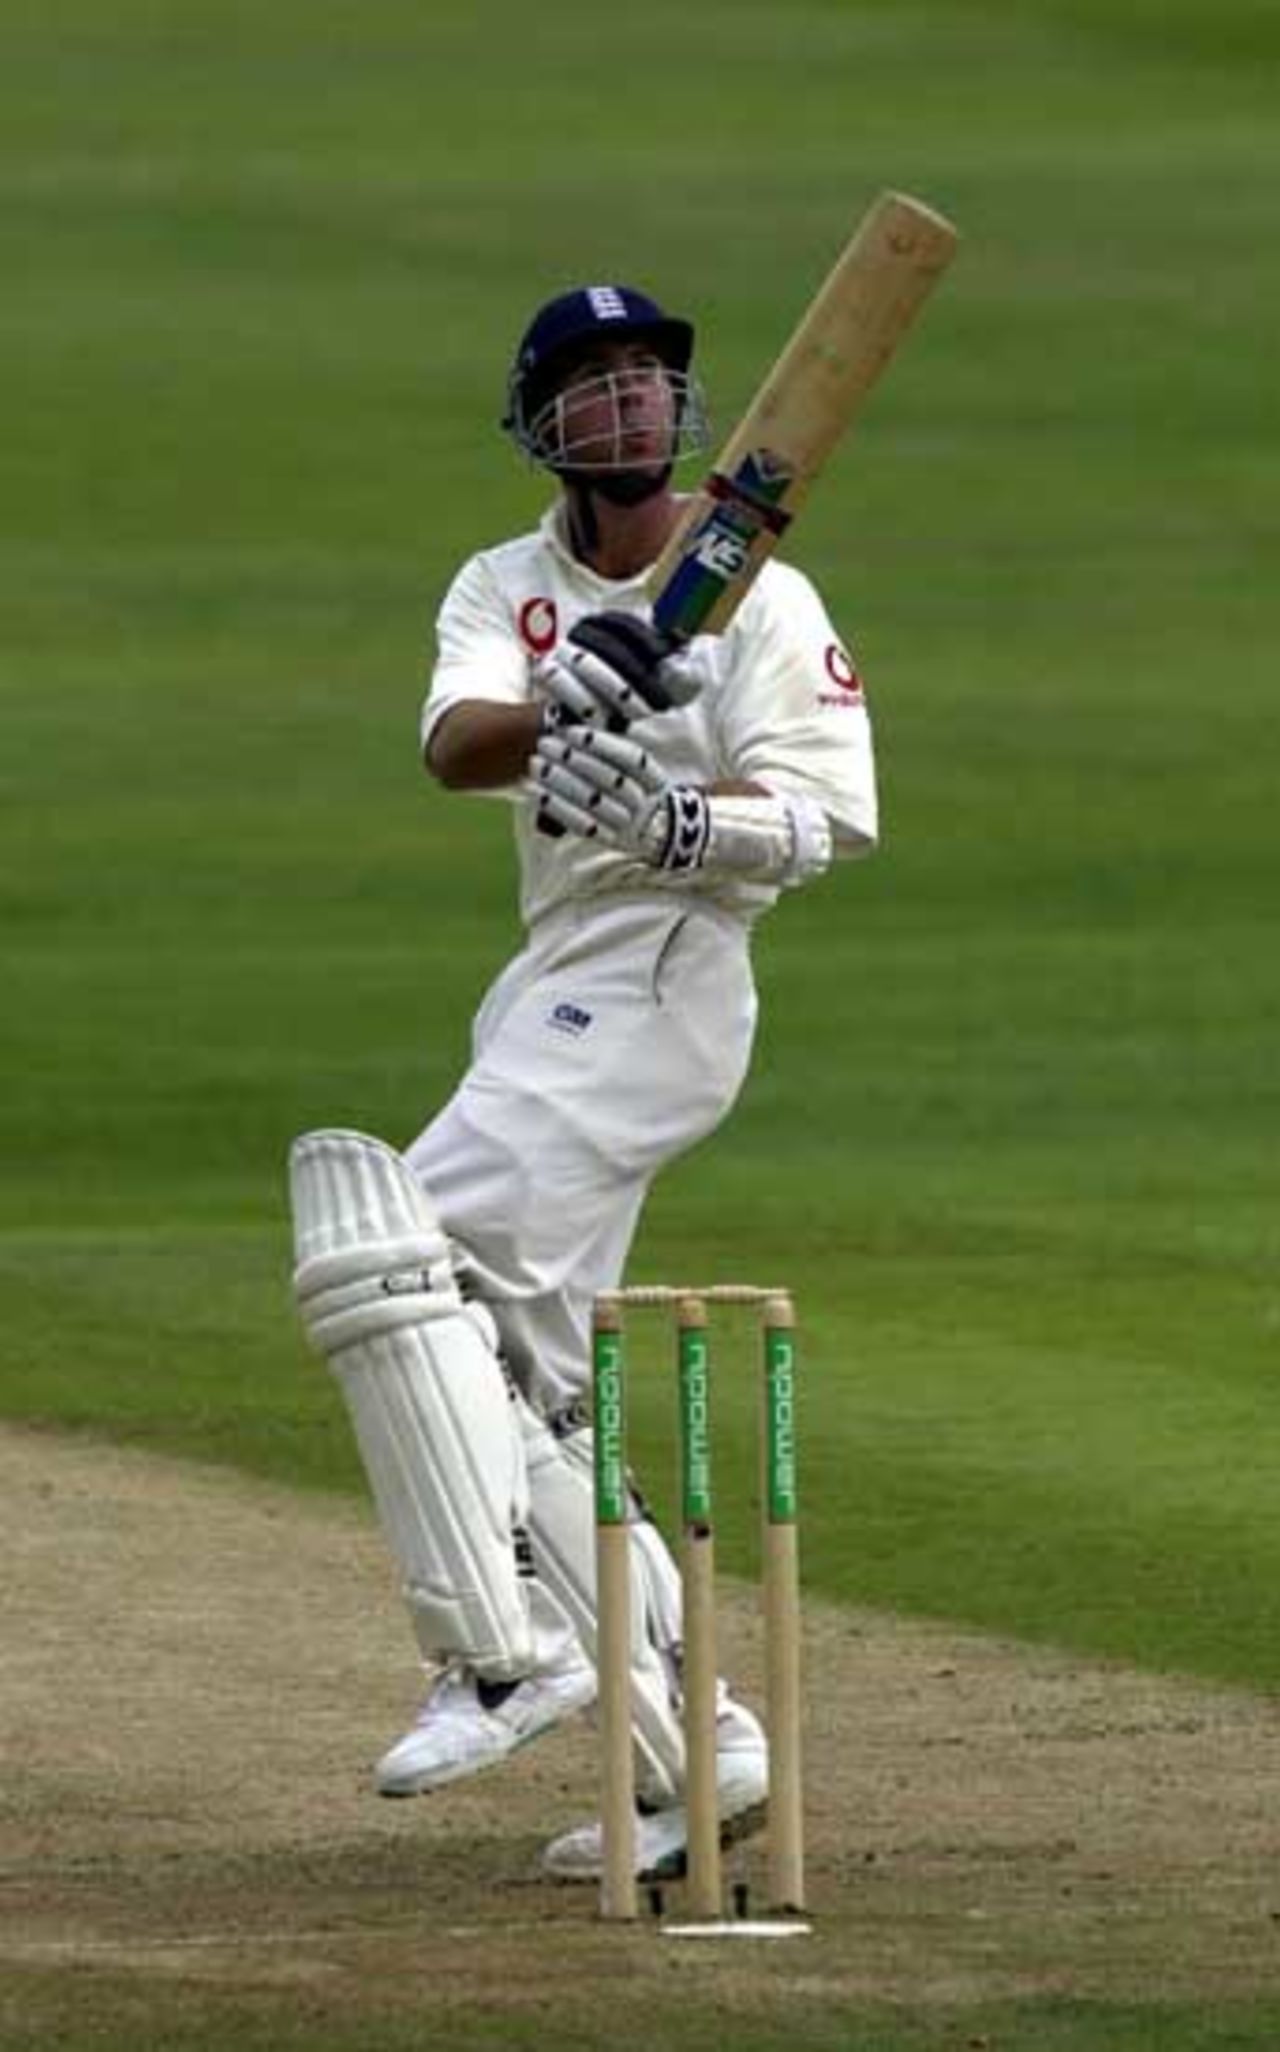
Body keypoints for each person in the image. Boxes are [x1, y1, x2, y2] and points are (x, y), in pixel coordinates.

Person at [288, 281, 878, 1883]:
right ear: (542, 422)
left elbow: (829, 820)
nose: (627, 402)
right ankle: (698, 1745)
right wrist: (572, 698)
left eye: (650, 378)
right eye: (594, 379)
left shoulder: (765, 595)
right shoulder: (505, 583)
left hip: (675, 964)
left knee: (392, 1254)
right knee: (531, 1387)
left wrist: (684, 817)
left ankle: (500, 1650)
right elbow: (455, 743)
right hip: (551, 979)